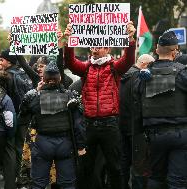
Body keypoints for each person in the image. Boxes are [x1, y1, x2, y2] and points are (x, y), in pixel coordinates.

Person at [62, 21, 136, 189]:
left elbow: (128, 60)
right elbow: (71, 63)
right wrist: (69, 40)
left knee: (115, 167)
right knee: (86, 167)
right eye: (92, 46)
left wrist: (130, 39)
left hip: (110, 124)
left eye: (99, 45)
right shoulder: (86, 68)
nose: (94, 48)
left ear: (108, 49)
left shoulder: (114, 67)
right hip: (88, 124)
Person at [19, 58, 86, 189]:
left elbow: (23, 113)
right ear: (59, 78)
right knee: (67, 184)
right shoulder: (69, 96)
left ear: (43, 79)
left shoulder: (37, 97)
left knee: (38, 183)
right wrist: (81, 146)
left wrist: (37, 92)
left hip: (42, 143)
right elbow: (79, 124)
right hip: (65, 144)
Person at [136, 31, 187, 189]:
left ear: (157, 50)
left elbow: (137, 98)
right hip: (180, 134)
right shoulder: (182, 72)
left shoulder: (144, 75)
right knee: (177, 181)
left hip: (154, 136)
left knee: (156, 177)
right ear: (175, 51)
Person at [119, 54, 155, 189]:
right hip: (137, 128)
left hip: (121, 126)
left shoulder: (120, 76)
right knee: (139, 166)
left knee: (123, 163)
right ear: (145, 64)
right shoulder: (140, 77)